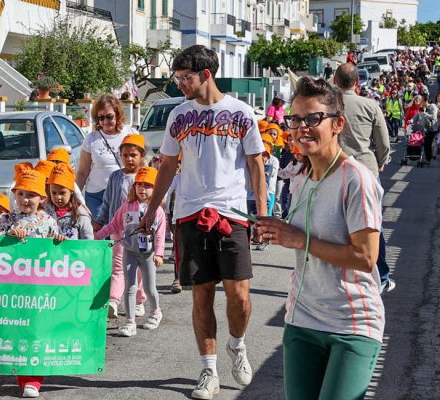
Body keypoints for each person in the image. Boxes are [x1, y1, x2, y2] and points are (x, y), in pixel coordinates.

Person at [141, 45, 267, 400]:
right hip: (190, 214)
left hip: (233, 214)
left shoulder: (241, 113)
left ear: (206, 74)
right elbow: (167, 166)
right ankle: (208, 370)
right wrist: (153, 211)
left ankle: (237, 346)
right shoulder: (178, 115)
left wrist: (262, 213)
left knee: (239, 295)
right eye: (177, 78)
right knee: (202, 295)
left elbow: (256, 165)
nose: (180, 84)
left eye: (185, 78)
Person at [253, 76, 385, 400]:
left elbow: (366, 258)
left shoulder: (356, 180)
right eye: (295, 119)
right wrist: (276, 229)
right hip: (302, 319)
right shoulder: (301, 176)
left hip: (351, 324)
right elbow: (301, 234)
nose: (302, 128)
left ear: (338, 123)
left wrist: (300, 240)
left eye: (313, 119)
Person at [0, 167, 60, 398]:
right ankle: (18, 372)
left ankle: (33, 379)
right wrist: (7, 236)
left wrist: (59, 241)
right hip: (12, 288)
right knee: (16, 331)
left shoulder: (49, 221)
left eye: (31, 195)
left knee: (36, 331)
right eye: (21, 194)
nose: (25, 200)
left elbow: (58, 255)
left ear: (41, 198)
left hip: (39, 289)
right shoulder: (7, 219)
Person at [332, 64, 394, 290]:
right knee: (373, 225)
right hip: (367, 169)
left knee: (335, 222)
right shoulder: (370, 105)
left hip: (335, 169)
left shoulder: (329, 105)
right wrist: (380, 163)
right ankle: (382, 277)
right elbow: (384, 142)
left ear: (335, 81)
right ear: (357, 82)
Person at [96, 166, 166, 337]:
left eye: (147, 185)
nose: (142, 188)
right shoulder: (127, 207)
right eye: (139, 184)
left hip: (148, 254)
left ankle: (156, 311)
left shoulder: (157, 210)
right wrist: (98, 235)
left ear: (155, 188)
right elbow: (114, 225)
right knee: (130, 287)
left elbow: (160, 234)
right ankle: (130, 322)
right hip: (129, 251)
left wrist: (159, 253)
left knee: (149, 288)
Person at [95, 134, 149, 319]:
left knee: (140, 267)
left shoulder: (147, 176)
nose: (129, 159)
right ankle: (113, 301)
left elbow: (156, 201)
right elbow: (107, 201)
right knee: (118, 267)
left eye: (133, 155)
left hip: (141, 230)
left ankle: (139, 300)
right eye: (125, 155)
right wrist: (101, 223)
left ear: (142, 155)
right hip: (119, 230)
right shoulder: (116, 177)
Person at [76, 94, 134, 214]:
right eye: (101, 118)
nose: (105, 121)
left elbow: (141, 164)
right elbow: (83, 171)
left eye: (109, 117)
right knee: (100, 231)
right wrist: (75, 196)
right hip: (96, 195)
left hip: (124, 193)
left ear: (118, 114)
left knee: (122, 231)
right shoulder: (91, 139)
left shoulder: (130, 134)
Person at [46, 164, 94, 241]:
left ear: (71, 191)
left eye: (62, 193)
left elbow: (88, 241)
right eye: (54, 193)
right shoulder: (45, 212)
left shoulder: (80, 215)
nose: (58, 197)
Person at [421, 98, 439, 165]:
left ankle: (429, 159)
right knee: (426, 144)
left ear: (425, 101)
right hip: (428, 129)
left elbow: (434, 117)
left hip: (433, 129)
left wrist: (425, 114)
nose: (421, 103)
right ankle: (428, 159)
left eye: (422, 101)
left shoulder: (432, 106)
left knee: (429, 144)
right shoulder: (425, 108)